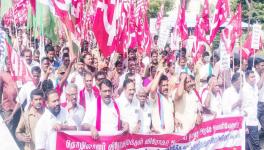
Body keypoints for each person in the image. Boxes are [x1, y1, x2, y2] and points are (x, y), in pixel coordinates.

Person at [149, 68, 174, 133]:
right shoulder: (156, 97)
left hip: (170, 134)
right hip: (160, 135)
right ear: (158, 86)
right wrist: (160, 73)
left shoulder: (170, 99)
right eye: (163, 85)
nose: (166, 87)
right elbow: (152, 89)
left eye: (166, 85)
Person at [0, 57, 19, 139]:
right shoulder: (2, 74)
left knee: (17, 128)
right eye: (8, 64)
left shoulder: (18, 73)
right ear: (5, 64)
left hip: (18, 106)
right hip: (8, 106)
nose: (9, 65)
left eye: (11, 63)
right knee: (9, 129)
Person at [242, 70, 260, 150]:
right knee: (255, 145)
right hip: (248, 121)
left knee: (249, 146)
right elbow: (242, 108)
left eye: (254, 76)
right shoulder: (244, 90)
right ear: (246, 79)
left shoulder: (255, 88)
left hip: (254, 120)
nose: (254, 78)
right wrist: (245, 125)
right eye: (252, 77)